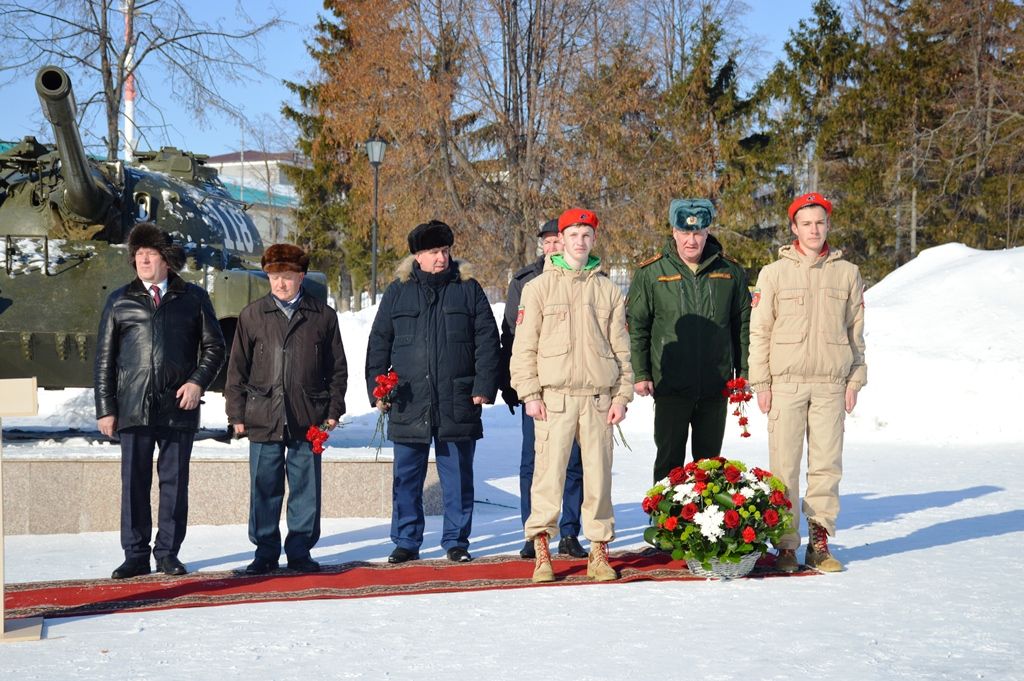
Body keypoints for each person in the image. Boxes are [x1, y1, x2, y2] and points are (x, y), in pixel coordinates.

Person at [94, 222, 225, 579]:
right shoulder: (120, 300)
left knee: (174, 483)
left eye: (150, 254)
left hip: (177, 407)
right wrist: (106, 409)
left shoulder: (193, 298)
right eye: (138, 254)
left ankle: (168, 553)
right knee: (134, 484)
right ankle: (135, 554)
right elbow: (104, 359)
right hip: (133, 408)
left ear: (166, 259)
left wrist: (198, 382)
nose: (143, 260)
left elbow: (215, 347)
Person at [510, 207, 633, 583]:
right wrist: (529, 392)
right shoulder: (538, 288)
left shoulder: (608, 290)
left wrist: (621, 395)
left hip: (598, 398)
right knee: (548, 477)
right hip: (555, 399)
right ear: (560, 241)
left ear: (594, 240)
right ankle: (543, 551)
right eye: (573, 236)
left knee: (598, 478)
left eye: (587, 236)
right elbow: (523, 348)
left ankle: (598, 551)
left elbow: (622, 350)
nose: (580, 242)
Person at [365, 220, 500, 564]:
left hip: (457, 397)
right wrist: (377, 387)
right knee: (407, 476)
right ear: (417, 256)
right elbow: (380, 341)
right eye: (432, 252)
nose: (440, 258)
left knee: (457, 476)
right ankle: (406, 540)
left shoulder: (468, 288)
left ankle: (456, 540)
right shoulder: (399, 290)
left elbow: (487, 339)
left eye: (444, 251)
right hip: (409, 397)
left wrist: (484, 385)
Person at [748, 192, 867, 573]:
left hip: (832, 384)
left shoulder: (847, 273)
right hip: (786, 384)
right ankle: (785, 545)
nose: (814, 230)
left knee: (826, 465)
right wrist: (760, 381)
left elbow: (856, 332)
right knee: (783, 467)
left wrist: (856, 377)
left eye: (820, 222)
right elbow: (760, 331)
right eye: (807, 223)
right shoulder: (773, 273)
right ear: (794, 228)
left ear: (828, 225)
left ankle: (819, 542)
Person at [225, 244, 348, 575]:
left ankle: (300, 551)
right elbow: (237, 369)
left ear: (301, 277)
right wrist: (236, 414)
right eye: (275, 276)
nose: (281, 283)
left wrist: (333, 410)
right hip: (263, 415)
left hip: (308, 416)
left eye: (288, 277)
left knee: (305, 489)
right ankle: (265, 552)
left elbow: (337, 369)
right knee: (264, 488)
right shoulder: (252, 315)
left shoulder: (322, 316)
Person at [627, 199, 750, 483]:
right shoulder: (652, 273)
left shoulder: (730, 272)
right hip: (670, 384)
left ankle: (706, 524)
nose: (691, 240)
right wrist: (642, 372)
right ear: (674, 231)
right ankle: (664, 523)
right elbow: (638, 327)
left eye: (698, 232)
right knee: (669, 462)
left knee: (709, 465)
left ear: (707, 232)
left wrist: (743, 372)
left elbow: (741, 326)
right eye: (685, 232)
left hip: (715, 384)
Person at [499, 219, 586, 560]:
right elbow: (512, 336)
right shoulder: (524, 282)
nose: (552, 247)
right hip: (537, 390)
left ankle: (569, 531)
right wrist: (513, 386)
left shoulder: (584, 280)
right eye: (547, 242)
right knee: (533, 463)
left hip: (574, 388)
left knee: (573, 462)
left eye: (556, 241)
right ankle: (534, 533)